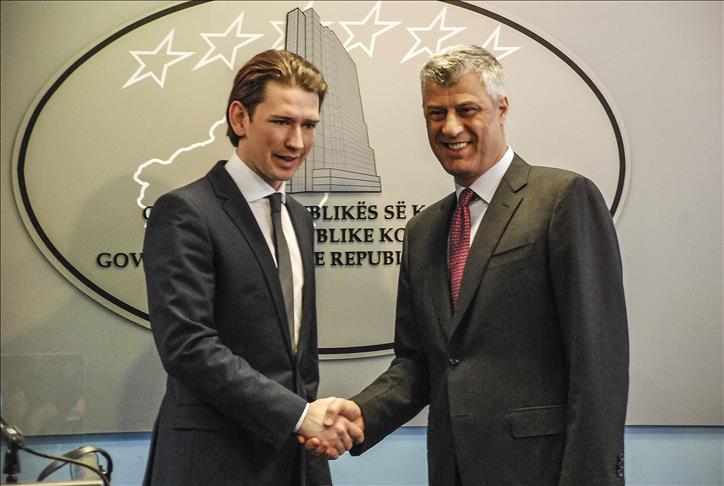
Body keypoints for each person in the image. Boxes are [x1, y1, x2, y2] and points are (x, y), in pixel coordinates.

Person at [306, 44, 629, 485]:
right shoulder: (423, 231)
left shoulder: (562, 199)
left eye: (466, 109)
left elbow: (598, 361)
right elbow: (419, 363)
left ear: (502, 107)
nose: (450, 127)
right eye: (436, 113)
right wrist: (362, 414)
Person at [142, 49, 362, 486]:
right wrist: (298, 414)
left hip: (295, 462)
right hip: (214, 465)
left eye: (308, 125)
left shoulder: (299, 218)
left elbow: (296, 361)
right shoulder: (186, 212)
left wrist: (313, 424)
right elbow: (188, 346)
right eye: (281, 122)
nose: (296, 142)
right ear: (240, 118)